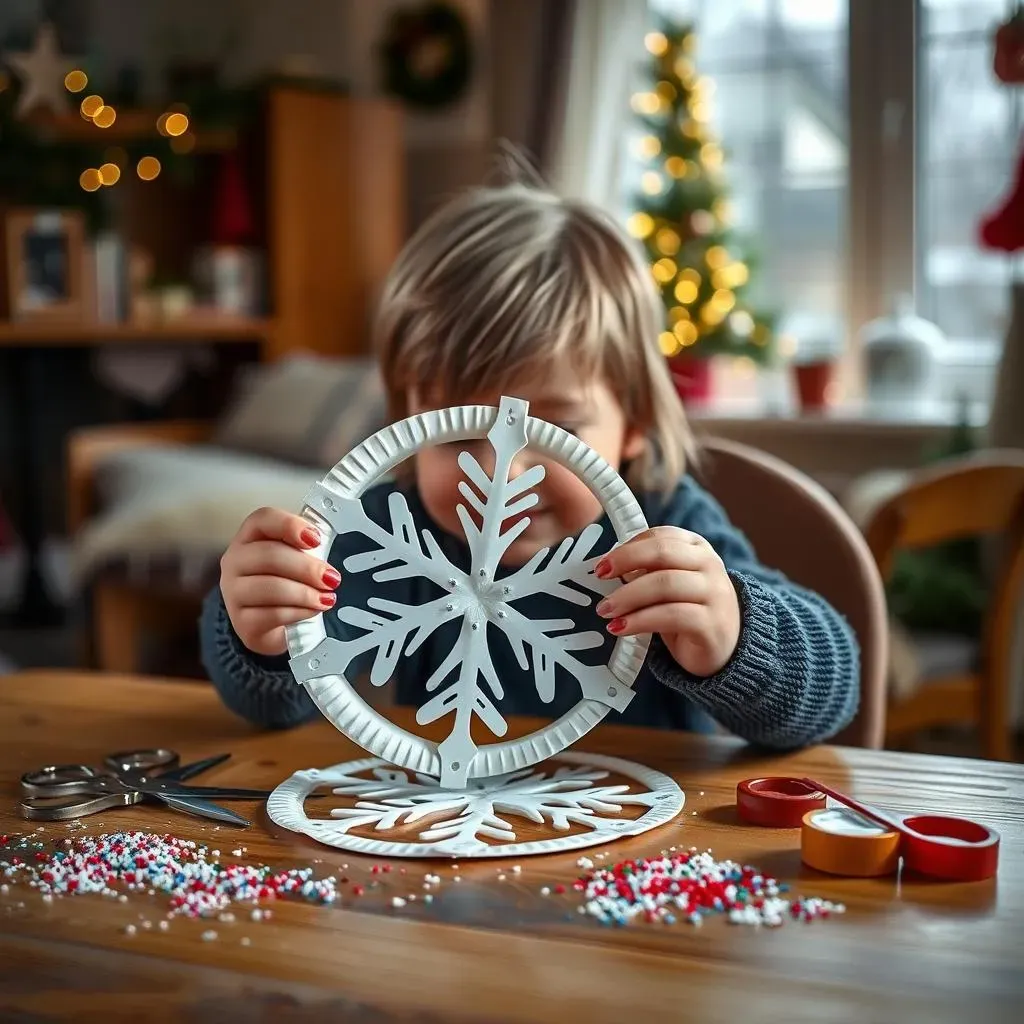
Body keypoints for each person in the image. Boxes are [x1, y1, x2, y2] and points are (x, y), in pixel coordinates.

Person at [199, 175, 860, 749]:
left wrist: (734, 634)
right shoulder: (383, 530)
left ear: (632, 422)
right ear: (406, 427)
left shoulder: (664, 523)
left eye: (553, 429)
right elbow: (272, 708)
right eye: (457, 436)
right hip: (444, 848)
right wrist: (262, 634)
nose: (501, 477)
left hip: (644, 856)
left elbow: (834, 693)